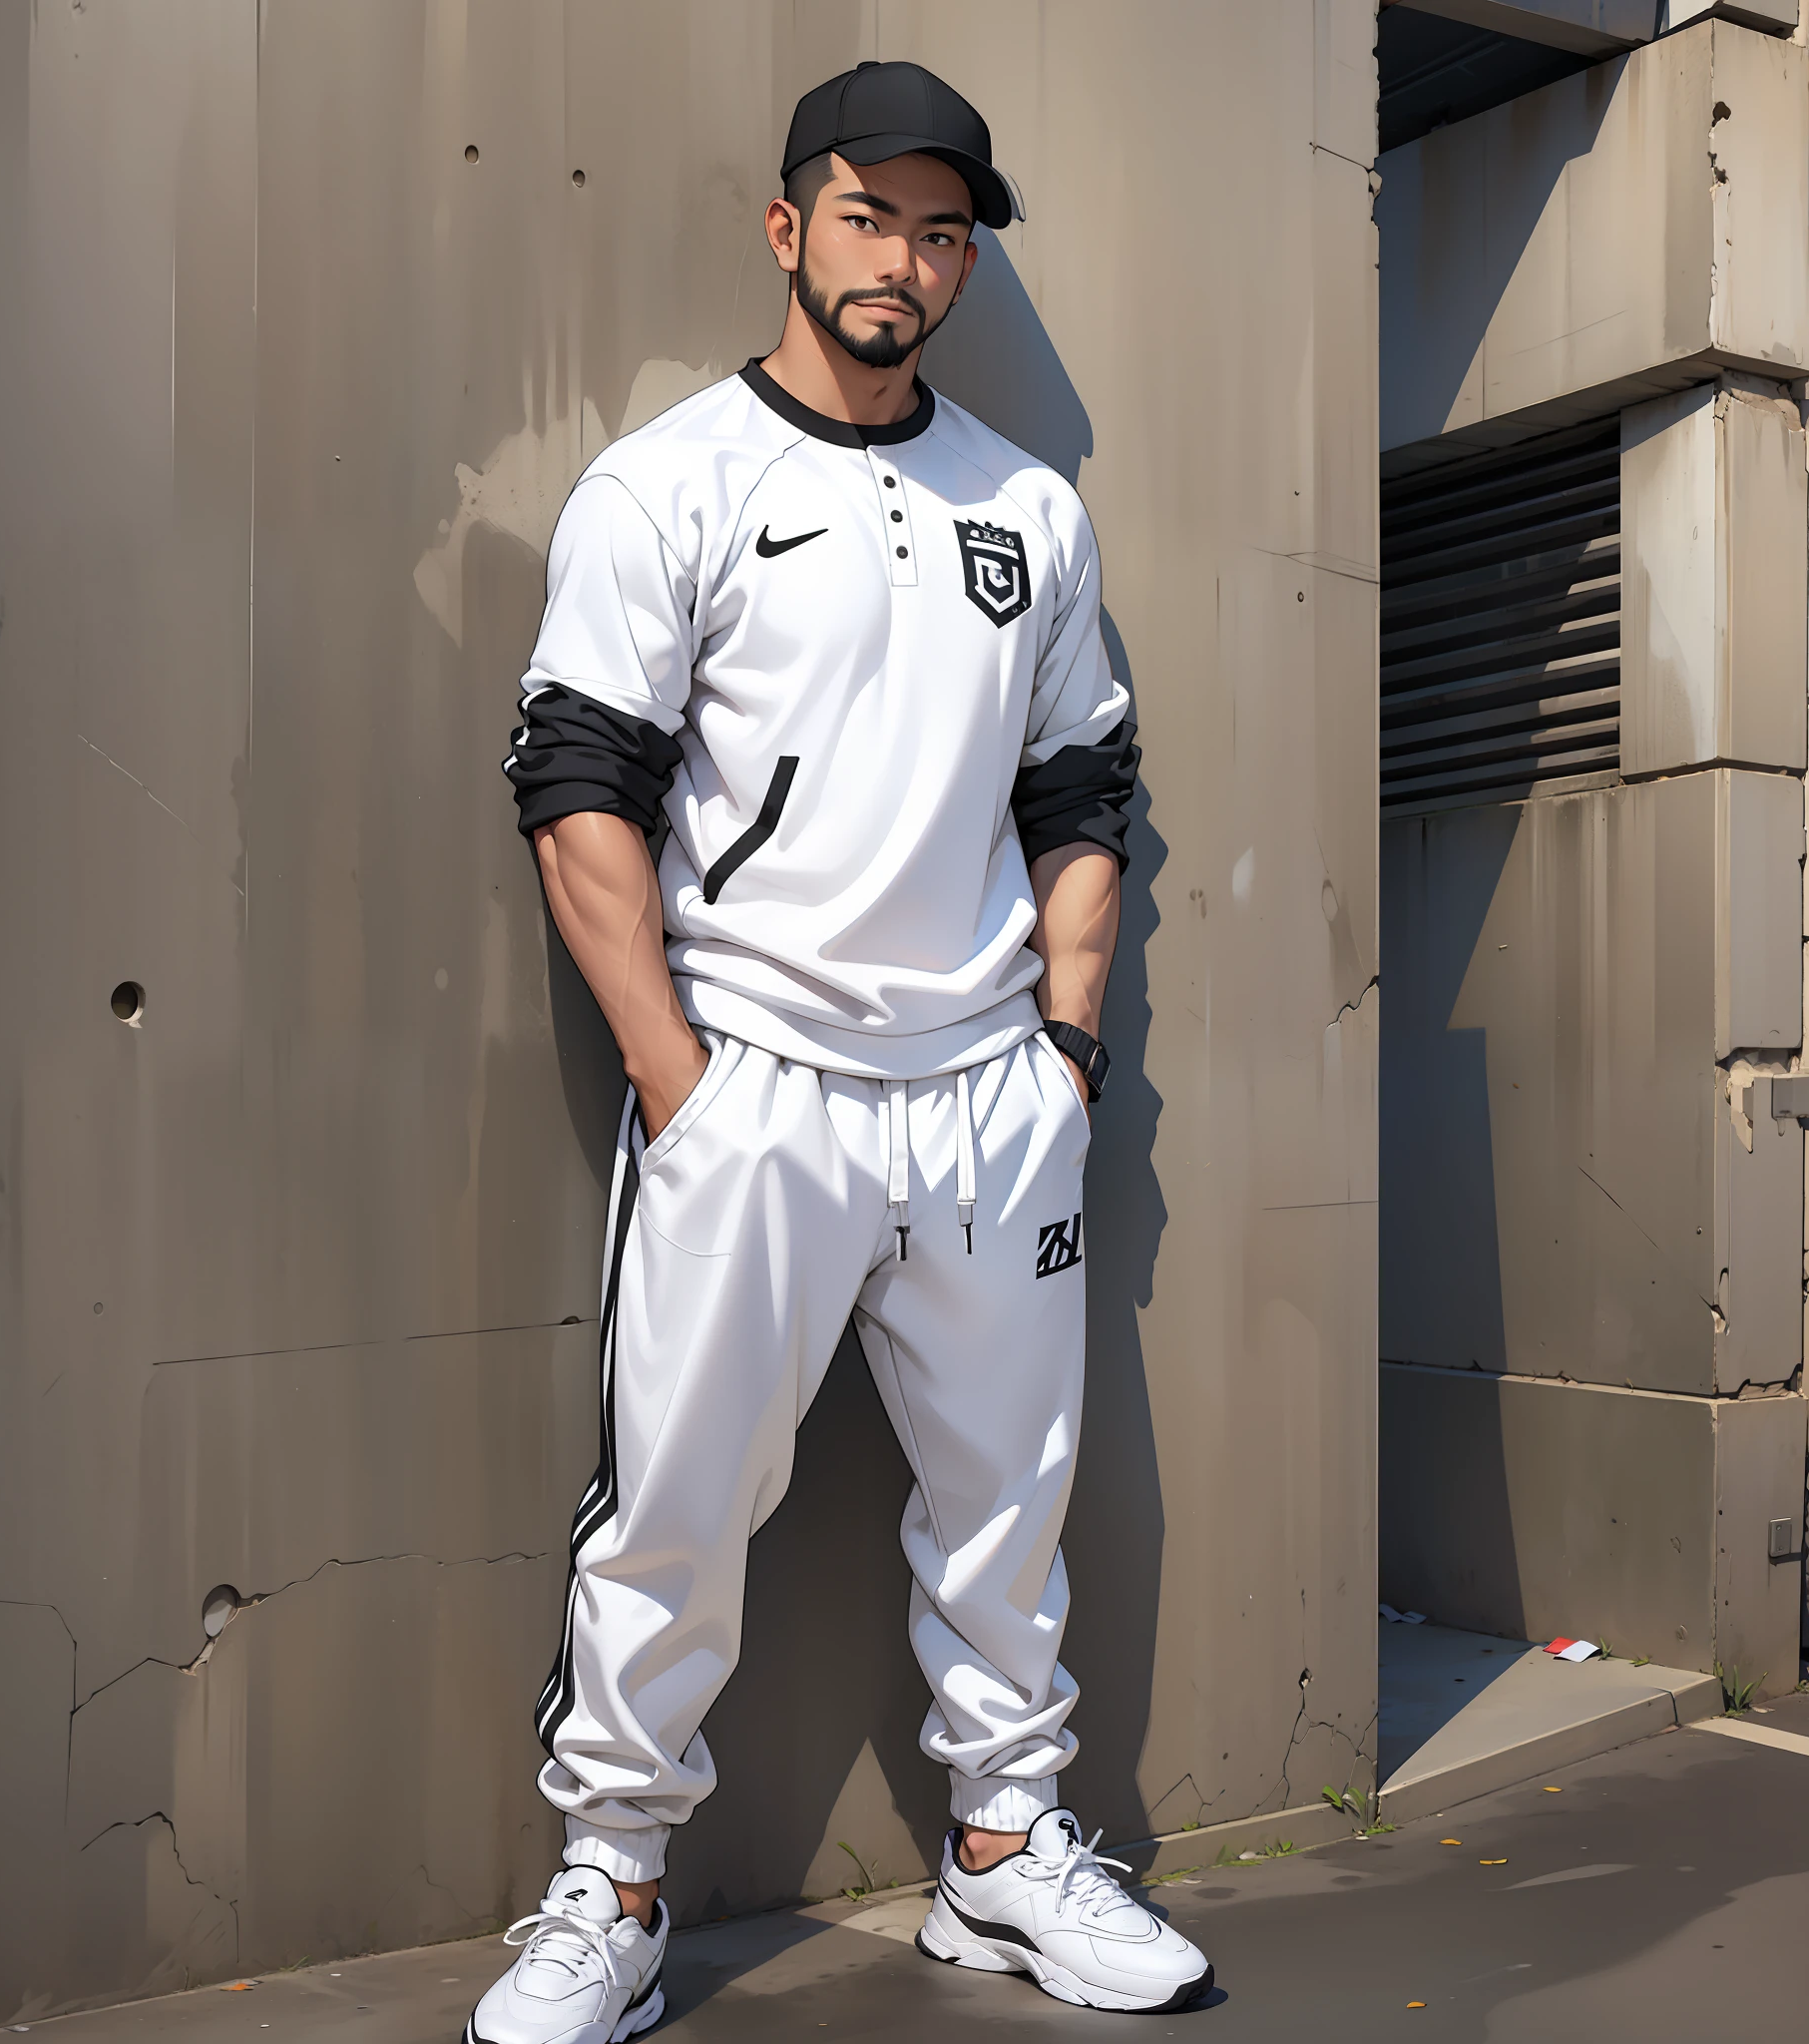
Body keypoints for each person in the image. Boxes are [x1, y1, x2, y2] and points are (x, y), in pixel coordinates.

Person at [464, 60, 1209, 2044]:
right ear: (789, 228)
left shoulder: (1029, 515)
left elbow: (1084, 797)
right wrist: (679, 1081)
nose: (907, 258)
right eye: (869, 216)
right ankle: (611, 1890)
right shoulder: (675, 481)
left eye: (942, 228)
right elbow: (577, 786)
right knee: (673, 1515)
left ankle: (1004, 1861)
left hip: (988, 1100)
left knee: (1007, 1508)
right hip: (755, 1084)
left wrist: (1060, 1056)